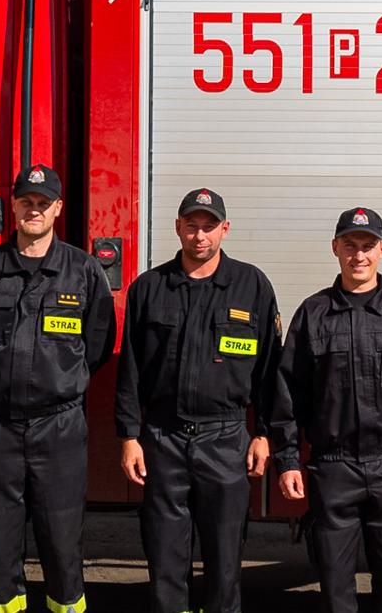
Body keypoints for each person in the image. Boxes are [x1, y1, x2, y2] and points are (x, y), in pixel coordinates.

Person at [269, 207, 382, 613]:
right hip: (334, 469)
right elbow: (288, 396)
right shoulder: (313, 314)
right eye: (350, 246)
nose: (359, 256)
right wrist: (287, 460)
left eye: (367, 246)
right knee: (335, 592)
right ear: (335, 248)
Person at [116, 188, 281, 613]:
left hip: (225, 439)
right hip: (163, 438)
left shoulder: (252, 286)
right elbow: (130, 369)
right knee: (165, 563)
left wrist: (264, 433)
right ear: (178, 228)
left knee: (225, 565)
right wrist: (129, 436)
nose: (200, 236)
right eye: (192, 226)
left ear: (225, 229)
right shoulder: (149, 288)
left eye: (209, 226)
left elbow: (269, 370)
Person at [0, 164, 116, 613]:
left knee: (62, 542)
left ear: (58, 208)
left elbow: (97, 344)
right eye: (26, 201)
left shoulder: (83, 271)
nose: (34, 210)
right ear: (13, 206)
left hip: (58, 426)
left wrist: (58, 381)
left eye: (43, 203)